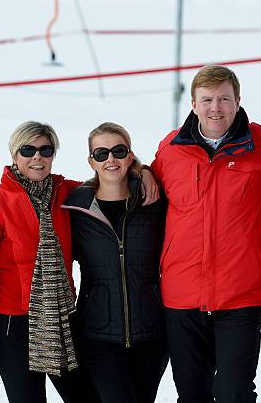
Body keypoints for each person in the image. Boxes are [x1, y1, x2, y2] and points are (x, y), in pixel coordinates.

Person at [150, 65, 261, 403]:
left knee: (234, 392)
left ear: (238, 101)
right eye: (207, 99)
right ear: (193, 104)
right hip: (183, 292)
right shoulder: (170, 148)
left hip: (242, 291)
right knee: (192, 394)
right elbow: (150, 202)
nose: (215, 108)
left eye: (224, 98)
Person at [0, 121, 83, 402]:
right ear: (15, 155)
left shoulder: (67, 194)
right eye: (28, 149)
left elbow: (110, 181)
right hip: (14, 327)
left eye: (45, 150)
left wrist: (142, 173)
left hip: (61, 321)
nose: (37, 156)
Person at [62, 122, 168, 403]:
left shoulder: (154, 202)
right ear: (91, 162)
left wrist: (145, 171)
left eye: (119, 151)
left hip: (152, 333)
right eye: (101, 153)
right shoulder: (75, 207)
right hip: (98, 335)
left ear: (130, 156)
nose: (111, 159)